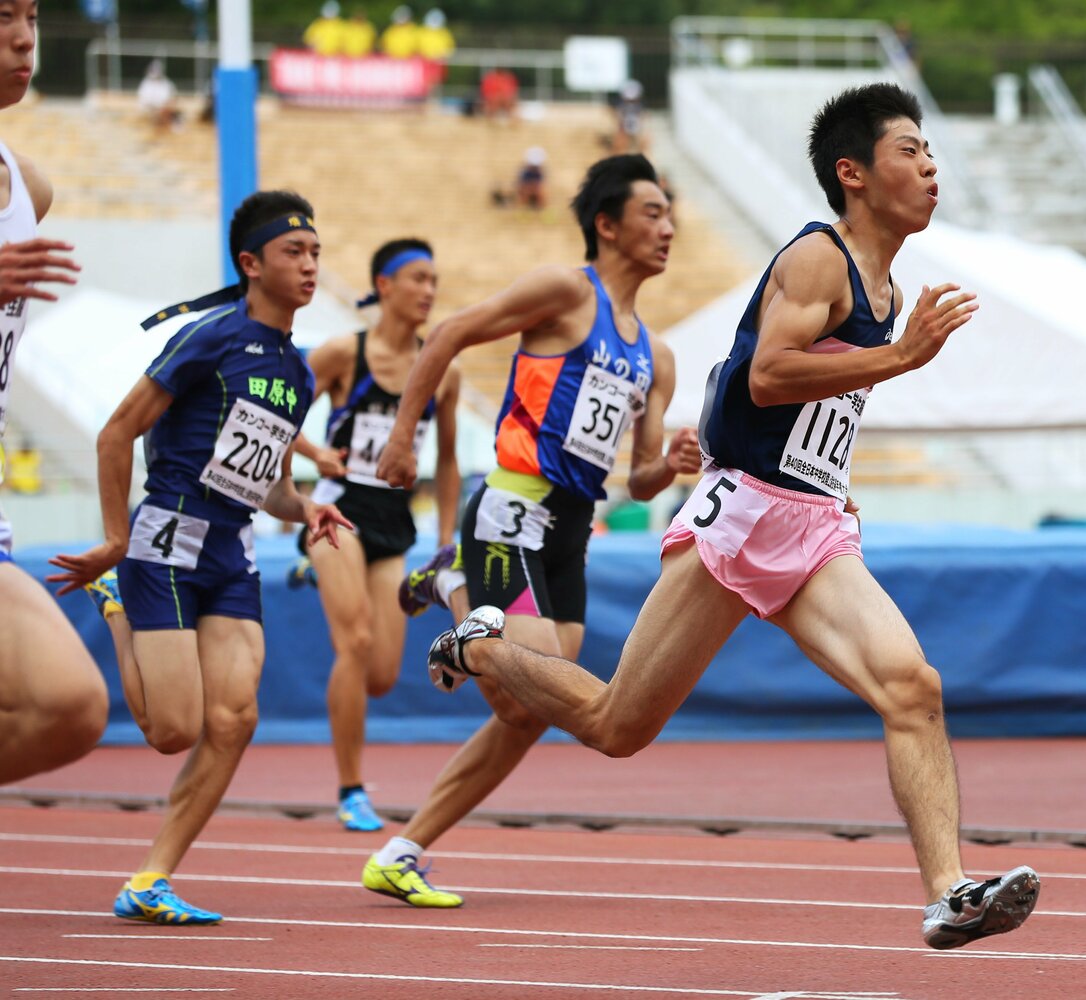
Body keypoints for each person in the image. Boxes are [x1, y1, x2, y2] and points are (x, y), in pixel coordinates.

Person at [389, 84, 1041, 949]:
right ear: (853, 173)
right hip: (739, 519)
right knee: (618, 726)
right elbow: (770, 374)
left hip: (810, 523)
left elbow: (810, 403)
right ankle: (478, 643)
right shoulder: (818, 259)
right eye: (911, 151)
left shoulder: (888, 285)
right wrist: (903, 356)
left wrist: (829, 472)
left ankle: (948, 890)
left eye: (930, 153)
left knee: (913, 688)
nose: (931, 168)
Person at [360, 153, 699, 908]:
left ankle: (401, 850)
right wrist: (403, 436)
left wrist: (672, 464)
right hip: (513, 504)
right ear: (606, 225)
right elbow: (449, 333)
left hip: (572, 530)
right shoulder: (563, 293)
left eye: (671, 214)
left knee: (531, 709)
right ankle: (454, 589)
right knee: (529, 690)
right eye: (652, 213)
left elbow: (639, 477)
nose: (668, 227)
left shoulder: (658, 355)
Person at [49, 191, 352, 924]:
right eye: (293, 253)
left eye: (315, 252)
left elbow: (271, 484)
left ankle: (150, 879)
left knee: (236, 717)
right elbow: (116, 433)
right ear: (251, 264)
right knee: (173, 731)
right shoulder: (210, 339)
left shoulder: (301, 372)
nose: (310, 265)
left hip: (233, 550)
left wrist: (306, 506)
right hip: (165, 541)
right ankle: (117, 603)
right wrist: (118, 540)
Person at [289, 239, 461, 832]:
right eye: (417, 277)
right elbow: (274, 416)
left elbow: (448, 463)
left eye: (435, 280)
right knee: (355, 642)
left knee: (383, 674)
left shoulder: (443, 369)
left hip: (393, 520)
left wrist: (445, 542)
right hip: (337, 511)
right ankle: (350, 788)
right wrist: (317, 454)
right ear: (384, 285)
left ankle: (322, 571)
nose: (429, 291)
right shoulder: (342, 353)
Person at [0, 0, 109, 786]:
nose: (22, 38)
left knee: (69, 705)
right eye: (2, 16)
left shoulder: (24, 185)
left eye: (32, 16)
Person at [136, 58, 180, 135]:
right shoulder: (145, 84)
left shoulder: (167, 84)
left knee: (172, 112)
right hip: (151, 110)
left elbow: (174, 99)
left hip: (162, 110)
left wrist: (165, 107)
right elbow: (143, 102)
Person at [612, 79, 646, 154]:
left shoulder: (638, 106)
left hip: (635, 127)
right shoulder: (622, 106)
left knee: (636, 142)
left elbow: (641, 117)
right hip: (625, 127)